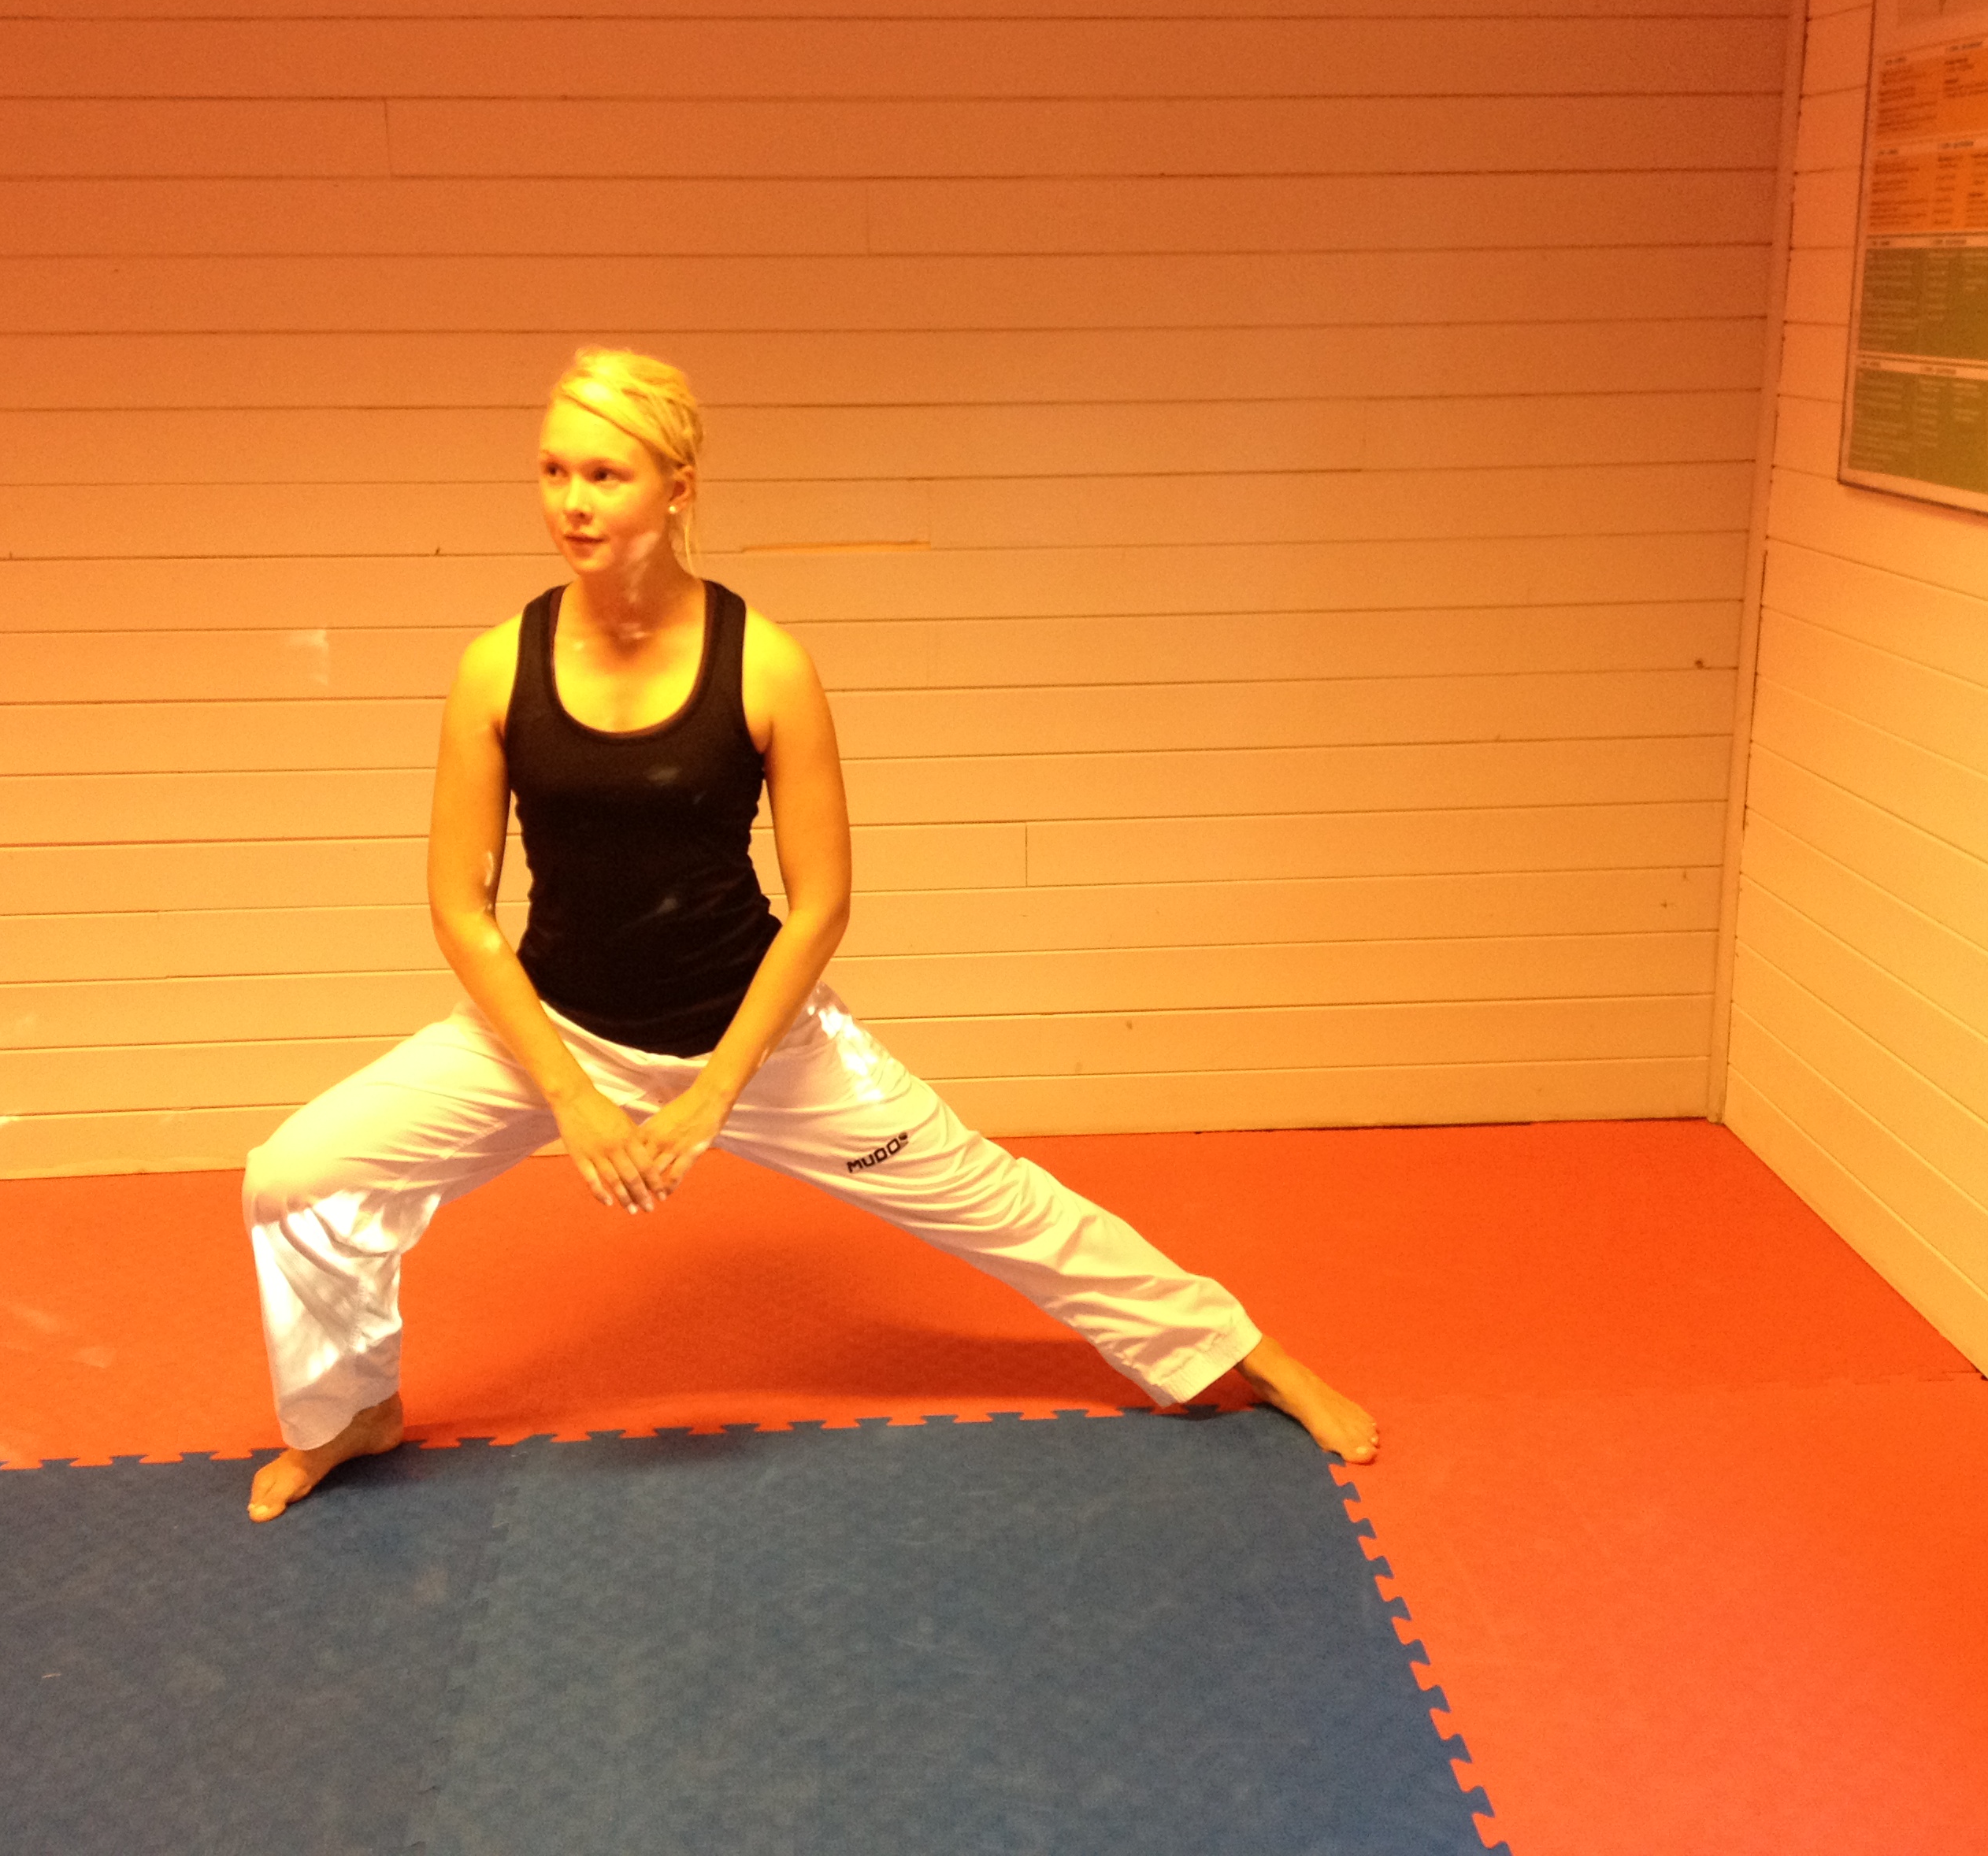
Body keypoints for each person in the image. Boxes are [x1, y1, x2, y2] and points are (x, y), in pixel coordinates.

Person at [241, 349, 1377, 1521]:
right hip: (549, 1032)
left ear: (677, 488)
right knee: (298, 1177)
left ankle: (1235, 1349)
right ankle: (350, 1410)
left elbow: (822, 901)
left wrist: (714, 1095)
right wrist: (572, 1098)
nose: (572, 502)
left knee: (996, 1199)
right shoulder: (495, 668)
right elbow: (460, 907)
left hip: (760, 1041)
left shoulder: (766, 664)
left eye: (607, 475)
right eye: (554, 471)